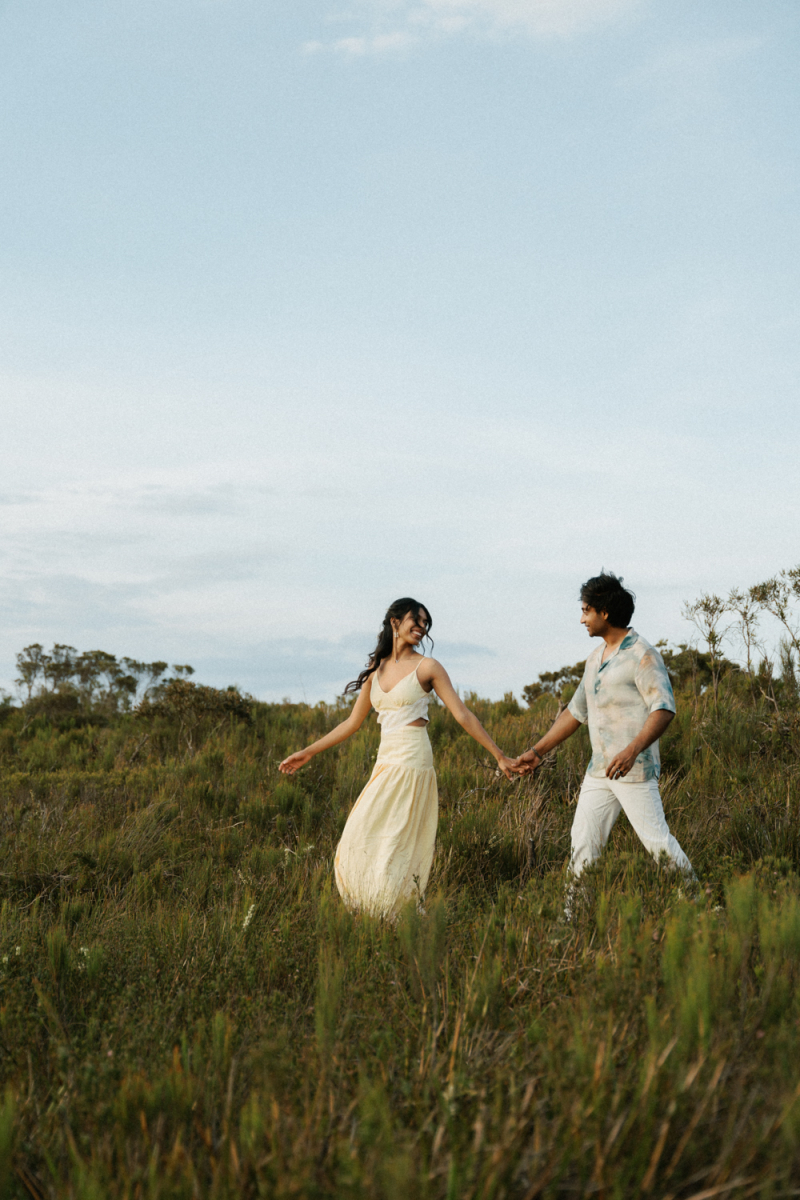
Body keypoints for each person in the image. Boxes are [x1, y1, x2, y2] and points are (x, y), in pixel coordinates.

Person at [279, 598, 516, 919]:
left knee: (395, 839)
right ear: (395, 622)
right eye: (415, 620)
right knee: (359, 833)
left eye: (425, 624)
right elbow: (351, 723)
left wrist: (498, 755)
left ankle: (393, 913)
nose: (421, 628)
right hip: (385, 762)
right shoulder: (377, 670)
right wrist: (308, 751)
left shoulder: (428, 667)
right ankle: (373, 909)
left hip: (412, 760)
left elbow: (462, 714)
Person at [513, 572, 693, 901]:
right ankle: (573, 915)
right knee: (583, 842)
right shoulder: (595, 659)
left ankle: (702, 904)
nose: (582, 619)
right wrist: (537, 752)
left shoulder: (643, 654)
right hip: (599, 771)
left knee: (657, 843)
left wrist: (632, 751)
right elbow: (574, 713)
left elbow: (663, 708)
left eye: (586, 611)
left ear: (604, 613)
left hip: (633, 770)